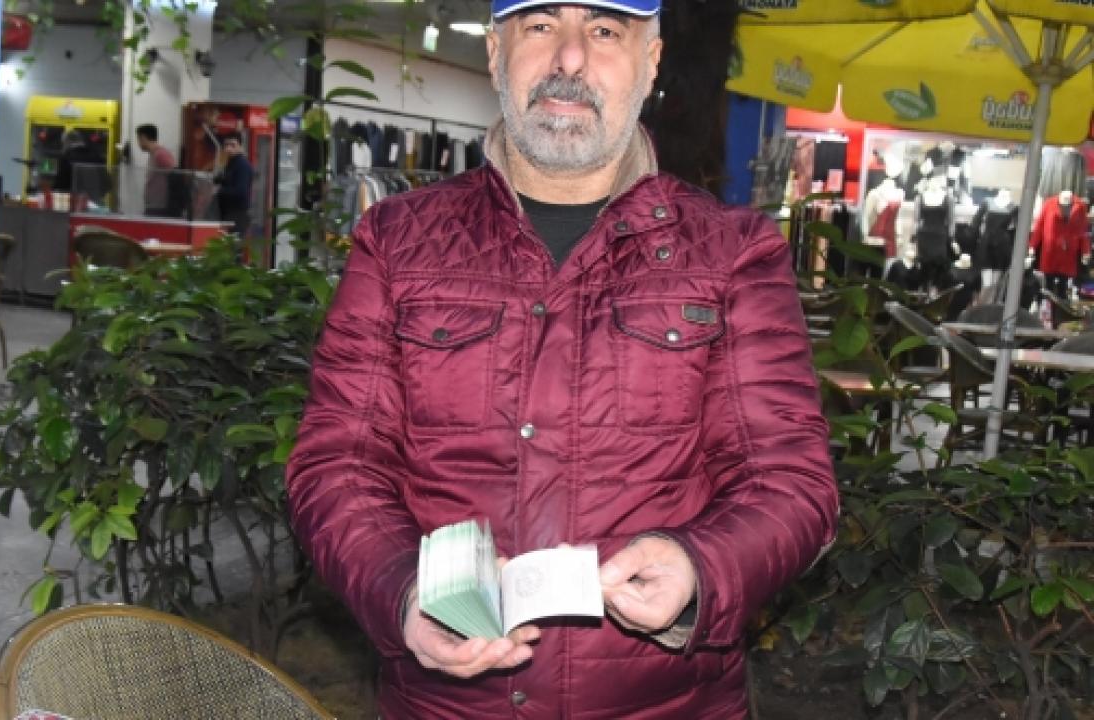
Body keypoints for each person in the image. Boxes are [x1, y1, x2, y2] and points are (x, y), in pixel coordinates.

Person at [285, 2, 838, 717]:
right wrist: (403, 591)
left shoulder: (732, 253)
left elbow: (790, 481)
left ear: (651, 61)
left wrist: (700, 567)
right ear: (495, 53)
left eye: (605, 31)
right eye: (541, 25)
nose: (570, 59)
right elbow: (337, 464)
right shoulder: (396, 243)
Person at [135, 123, 180, 217]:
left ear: (143, 138)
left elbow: (175, 177)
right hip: (153, 206)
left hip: (160, 208)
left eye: (138, 139)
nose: (138, 143)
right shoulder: (153, 154)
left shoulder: (161, 154)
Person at [214, 133, 253, 236]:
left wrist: (219, 190)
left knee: (231, 244)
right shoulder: (230, 163)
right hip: (227, 213)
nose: (228, 148)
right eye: (226, 145)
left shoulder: (242, 165)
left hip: (237, 215)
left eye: (232, 145)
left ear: (240, 146)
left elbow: (241, 191)